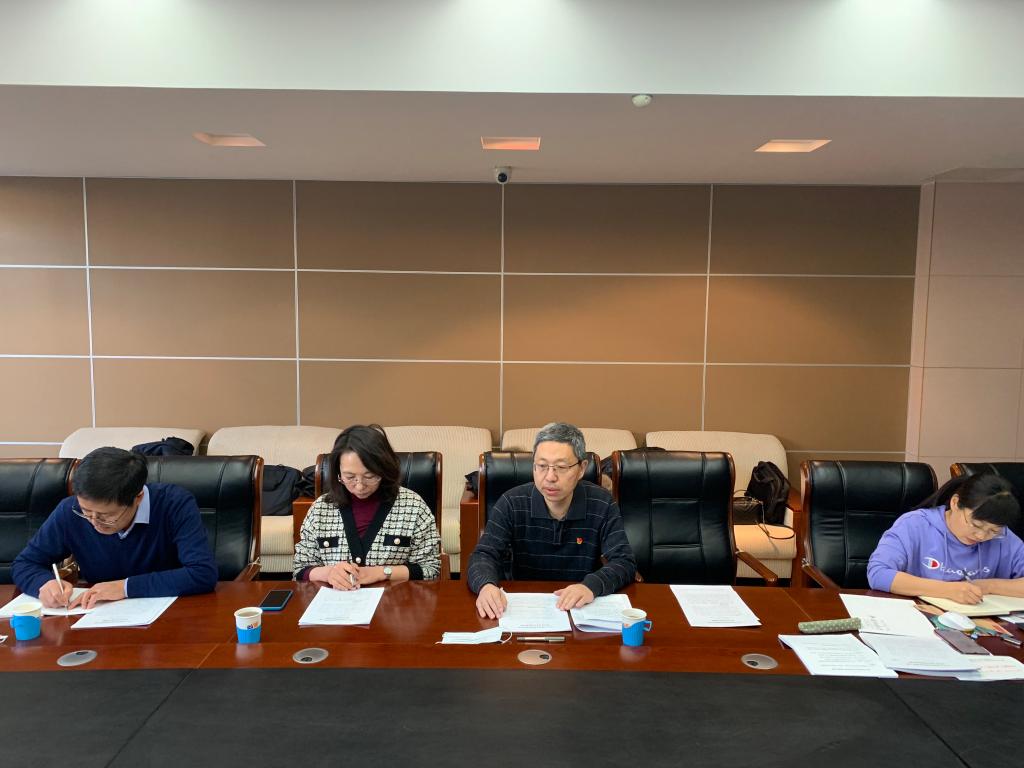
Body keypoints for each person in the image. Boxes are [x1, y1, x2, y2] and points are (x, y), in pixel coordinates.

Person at [12, 447, 217, 609]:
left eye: (106, 516)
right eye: (86, 511)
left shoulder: (174, 504)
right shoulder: (70, 510)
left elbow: (202, 573)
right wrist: (44, 583)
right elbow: (25, 563)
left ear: (138, 497)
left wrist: (125, 587)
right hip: (98, 616)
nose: (94, 521)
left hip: (171, 614)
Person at [467, 422, 636, 618]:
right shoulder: (511, 502)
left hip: (581, 609)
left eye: (561, 467)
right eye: (542, 466)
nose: (550, 477)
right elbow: (483, 555)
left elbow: (624, 562)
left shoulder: (602, 503)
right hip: (523, 608)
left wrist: (591, 586)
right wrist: (486, 585)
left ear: (581, 469)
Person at [293, 424, 441, 586]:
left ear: (384, 470)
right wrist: (328, 573)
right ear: (338, 473)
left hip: (395, 599)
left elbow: (431, 570)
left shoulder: (413, 506)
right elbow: (300, 570)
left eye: (369, 476)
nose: (359, 486)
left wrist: (383, 572)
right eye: (350, 477)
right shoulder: (320, 509)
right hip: (337, 598)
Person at [867, 473, 1024, 604]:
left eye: (993, 530)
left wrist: (987, 586)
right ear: (955, 503)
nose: (982, 536)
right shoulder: (915, 525)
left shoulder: (1003, 537)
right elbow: (878, 574)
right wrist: (948, 590)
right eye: (976, 525)